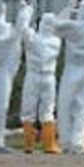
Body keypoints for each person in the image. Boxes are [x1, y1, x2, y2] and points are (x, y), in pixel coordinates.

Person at [0, 0, 33, 153]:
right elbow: (19, 29)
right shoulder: (6, 40)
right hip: (3, 76)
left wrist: (2, 12)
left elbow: (3, 24)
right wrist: (26, 9)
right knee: (0, 108)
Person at [54, 0, 84, 154]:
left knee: (65, 105)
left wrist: (68, 9)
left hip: (72, 70)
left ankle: (66, 142)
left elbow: (55, 25)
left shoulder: (74, 27)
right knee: (83, 107)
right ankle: (77, 142)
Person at [20, 11, 62, 154]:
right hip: (49, 77)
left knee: (28, 111)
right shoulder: (56, 41)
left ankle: (28, 145)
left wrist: (27, 10)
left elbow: (23, 27)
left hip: (33, 75)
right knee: (48, 111)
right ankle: (49, 145)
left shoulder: (33, 39)